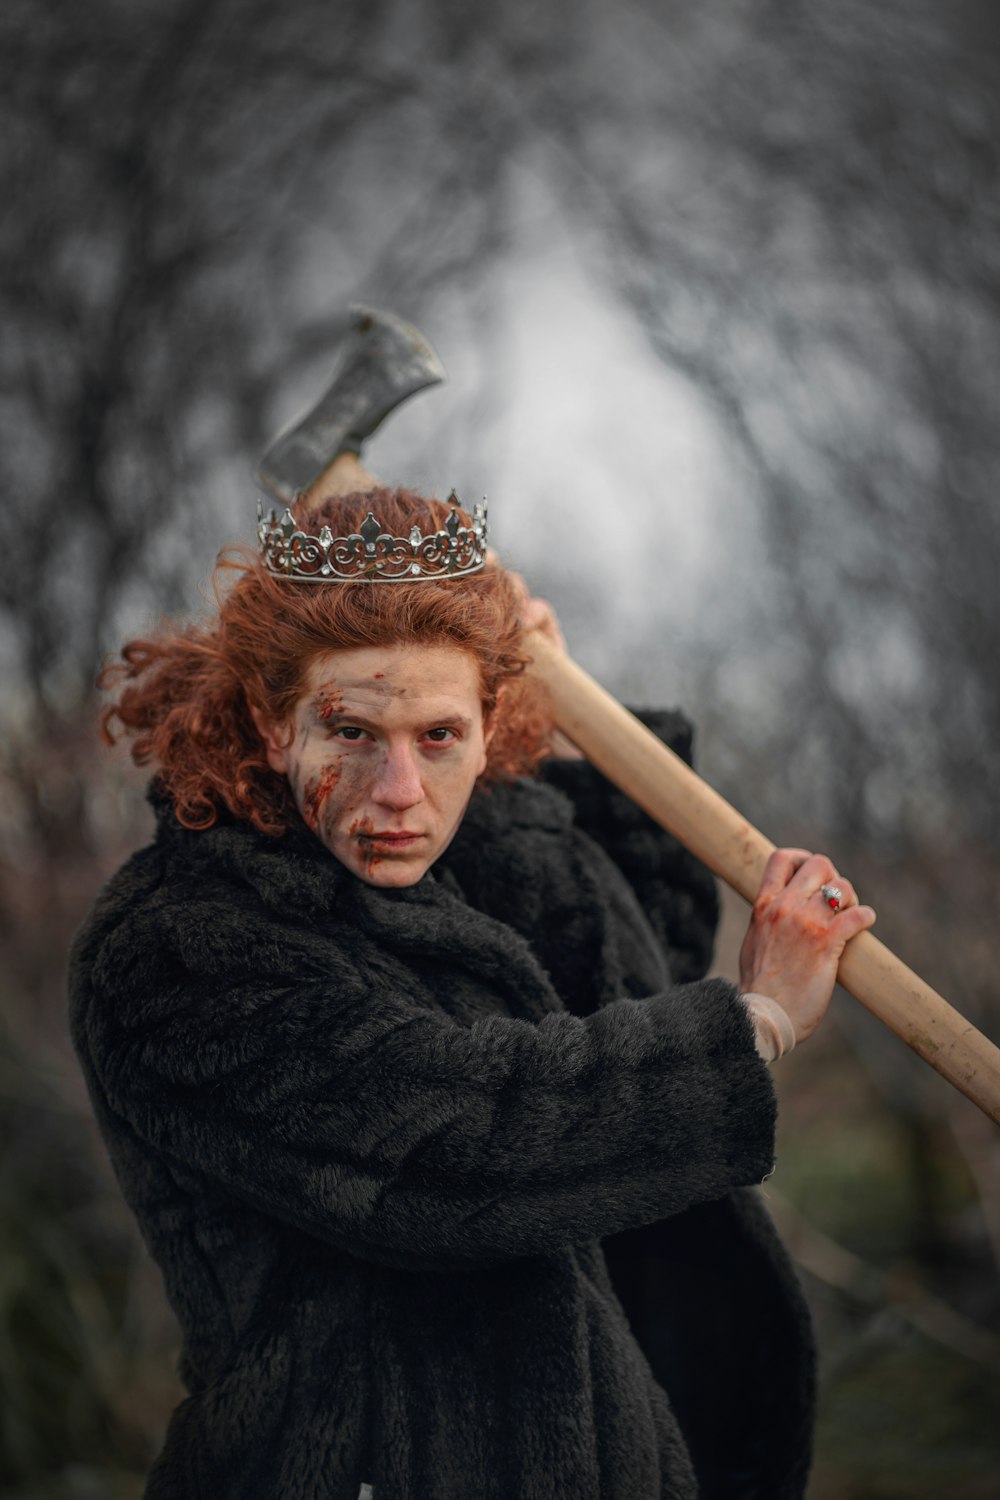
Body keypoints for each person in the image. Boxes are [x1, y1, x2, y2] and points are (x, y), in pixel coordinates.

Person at [69, 486, 875, 1500]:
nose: (399, 789)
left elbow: (625, 982)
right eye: (352, 732)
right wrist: (749, 1021)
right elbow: (453, 1154)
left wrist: (592, 743)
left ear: (491, 727)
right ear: (274, 727)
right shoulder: (177, 946)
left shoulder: (450, 868)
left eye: (439, 736)